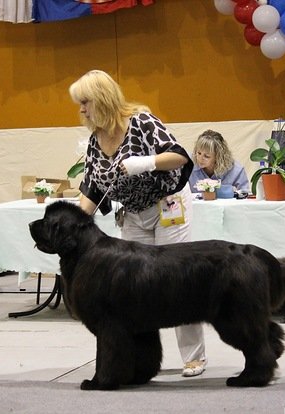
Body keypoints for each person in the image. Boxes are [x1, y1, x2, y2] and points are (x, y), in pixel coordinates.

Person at [68, 69, 207, 377]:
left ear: (102, 100)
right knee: (134, 289)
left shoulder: (142, 122)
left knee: (178, 279)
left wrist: (145, 162)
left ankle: (194, 356)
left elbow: (180, 156)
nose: (81, 110)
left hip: (168, 204)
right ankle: (141, 360)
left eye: (85, 102)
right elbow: (94, 186)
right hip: (133, 212)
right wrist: (75, 223)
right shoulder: (95, 140)